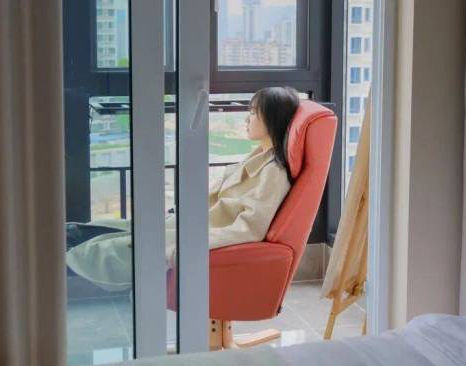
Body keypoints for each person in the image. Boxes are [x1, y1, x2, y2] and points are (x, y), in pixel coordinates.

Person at [66, 86, 300, 291]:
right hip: (194, 222)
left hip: (203, 232)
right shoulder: (259, 157)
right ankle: (70, 238)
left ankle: (64, 257)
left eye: (253, 113)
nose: (246, 119)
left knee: (113, 248)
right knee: (116, 228)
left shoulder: (274, 172)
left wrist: (186, 245)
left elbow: (249, 229)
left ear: (272, 119)